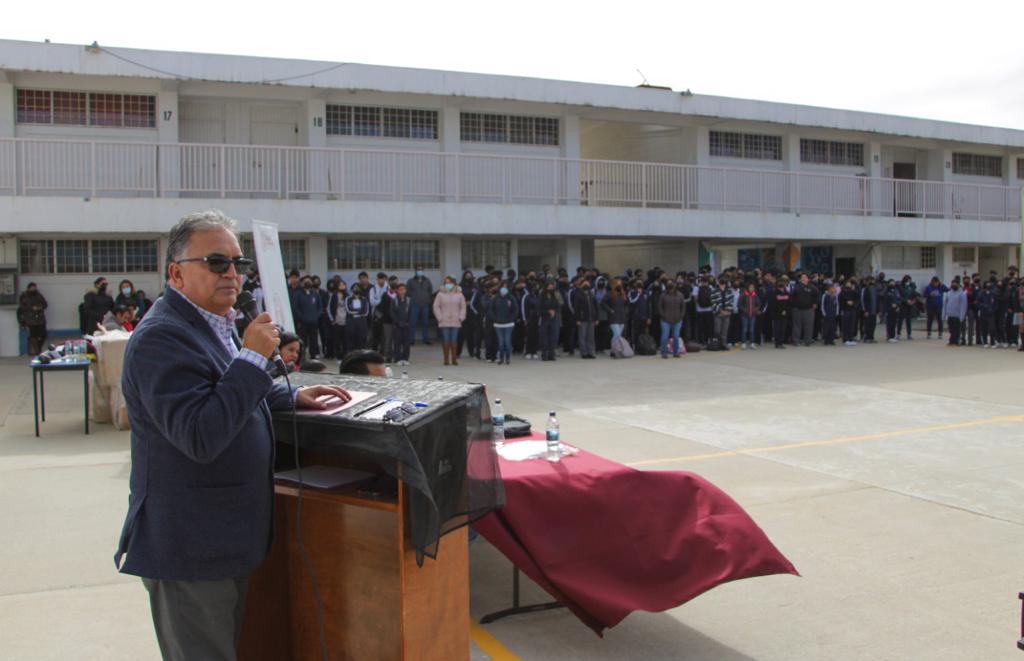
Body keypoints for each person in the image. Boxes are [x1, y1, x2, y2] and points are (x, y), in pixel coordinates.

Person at [114, 210, 349, 661]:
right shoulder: (161, 339)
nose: (232, 274)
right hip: (192, 548)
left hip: (226, 540)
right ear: (176, 273)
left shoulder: (212, 322)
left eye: (238, 264)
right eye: (217, 262)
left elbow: (229, 395)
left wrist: (290, 397)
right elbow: (201, 434)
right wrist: (251, 357)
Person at [433, 276, 466, 366]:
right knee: (446, 339)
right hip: (444, 320)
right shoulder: (440, 294)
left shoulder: (459, 294)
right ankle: (446, 359)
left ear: (454, 284)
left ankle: (454, 359)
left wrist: (461, 317)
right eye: (446, 283)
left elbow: (463, 307)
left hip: (456, 320)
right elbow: (436, 307)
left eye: (450, 283)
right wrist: (440, 317)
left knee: (454, 340)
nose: (448, 285)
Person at [488, 284, 518, 365]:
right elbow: (491, 310)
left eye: (505, 287)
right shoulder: (495, 298)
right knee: (501, 342)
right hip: (498, 324)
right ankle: (501, 358)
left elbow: (515, 310)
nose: (504, 289)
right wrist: (495, 319)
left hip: (509, 324)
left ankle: (507, 358)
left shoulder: (511, 298)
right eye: (502, 287)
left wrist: (511, 318)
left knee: (507, 341)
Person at [18, 282, 48, 355]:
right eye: (32, 287)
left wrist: (40, 307)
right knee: (33, 335)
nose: (34, 289)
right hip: (30, 319)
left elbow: (45, 304)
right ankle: (37, 351)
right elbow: (22, 306)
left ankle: (38, 348)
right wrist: (32, 308)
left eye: (35, 287)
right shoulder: (24, 296)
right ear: (29, 288)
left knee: (43, 334)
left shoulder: (38, 295)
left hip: (40, 318)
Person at [406, 267, 434, 345]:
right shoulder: (411, 281)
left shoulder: (427, 281)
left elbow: (430, 291)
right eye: (418, 270)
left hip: (425, 305)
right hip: (415, 305)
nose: (420, 271)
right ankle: (411, 340)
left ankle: (425, 339)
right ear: (415, 271)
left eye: (421, 270)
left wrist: (428, 300)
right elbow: (407, 292)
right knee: (412, 323)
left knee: (425, 322)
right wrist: (414, 298)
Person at [657, 281, 685, 358]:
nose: (671, 289)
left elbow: (683, 307)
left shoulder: (680, 295)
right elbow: (660, 307)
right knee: (665, 337)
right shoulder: (663, 295)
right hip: (665, 320)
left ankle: (676, 352)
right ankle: (664, 352)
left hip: (677, 320)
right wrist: (663, 316)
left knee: (676, 336)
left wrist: (681, 316)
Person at [574, 280, 599, 359]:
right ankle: (584, 353)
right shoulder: (578, 295)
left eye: (588, 284)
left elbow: (596, 307)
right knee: (582, 336)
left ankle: (591, 352)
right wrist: (577, 319)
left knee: (591, 336)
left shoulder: (592, 295)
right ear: (581, 285)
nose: (587, 285)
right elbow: (576, 308)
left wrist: (597, 318)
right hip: (582, 319)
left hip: (592, 319)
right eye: (585, 284)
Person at [791, 273, 818, 347]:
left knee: (809, 326)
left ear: (808, 279)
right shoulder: (796, 287)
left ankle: (808, 341)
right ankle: (796, 341)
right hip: (797, 309)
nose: (803, 278)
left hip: (809, 309)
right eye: (802, 277)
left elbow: (816, 294)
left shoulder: (812, 287)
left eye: (805, 277)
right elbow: (792, 295)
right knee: (797, 326)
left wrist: (815, 303)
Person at [767, 278, 792, 349]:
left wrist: (786, 311)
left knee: (783, 329)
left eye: (783, 284)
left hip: (785, 314)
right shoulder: (774, 293)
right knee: (777, 329)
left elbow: (789, 304)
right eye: (780, 284)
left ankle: (781, 343)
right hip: (776, 315)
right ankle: (777, 343)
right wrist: (780, 311)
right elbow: (772, 304)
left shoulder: (787, 293)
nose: (782, 285)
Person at [539, 282, 561, 362]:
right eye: (549, 287)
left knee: (553, 337)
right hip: (545, 319)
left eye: (552, 287)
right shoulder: (542, 296)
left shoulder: (554, 296)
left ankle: (551, 355)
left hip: (553, 319)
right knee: (544, 337)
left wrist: (554, 311)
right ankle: (544, 355)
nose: (551, 289)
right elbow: (540, 309)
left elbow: (558, 306)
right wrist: (548, 311)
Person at [327, 279, 348, 360]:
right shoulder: (334, 295)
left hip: (346, 321)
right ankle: (338, 355)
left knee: (345, 340)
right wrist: (332, 319)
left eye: (343, 284)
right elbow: (328, 308)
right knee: (337, 340)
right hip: (337, 321)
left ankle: (345, 354)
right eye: (340, 284)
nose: (342, 286)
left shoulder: (347, 296)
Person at [391, 283, 412, 366]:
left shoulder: (409, 300)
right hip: (397, 325)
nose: (402, 291)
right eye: (400, 289)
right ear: (397, 291)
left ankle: (405, 358)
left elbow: (411, 312)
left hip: (406, 325)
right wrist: (397, 322)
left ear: (406, 290)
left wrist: (408, 322)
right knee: (397, 342)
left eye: (403, 289)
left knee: (406, 343)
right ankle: (398, 359)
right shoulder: (394, 300)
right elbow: (392, 312)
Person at [345, 284, 370, 352]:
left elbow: (366, 312)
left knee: (361, 339)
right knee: (351, 339)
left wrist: (356, 311)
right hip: (351, 321)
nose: (356, 289)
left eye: (358, 288)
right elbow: (348, 310)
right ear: (352, 289)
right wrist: (359, 312)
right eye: (355, 288)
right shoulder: (348, 298)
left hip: (361, 322)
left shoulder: (364, 299)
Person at [943, 280, 967, 347]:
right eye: (953, 284)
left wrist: (962, 316)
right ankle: (951, 341)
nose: (954, 285)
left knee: (957, 329)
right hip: (950, 314)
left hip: (957, 315)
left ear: (958, 285)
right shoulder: (948, 293)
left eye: (955, 284)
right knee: (951, 329)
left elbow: (963, 306)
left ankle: (956, 341)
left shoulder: (962, 294)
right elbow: (945, 304)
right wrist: (944, 315)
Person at [737, 281, 760, 350]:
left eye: (753, 287)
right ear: (747, 288)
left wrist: (755, 309)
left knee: (752, 329)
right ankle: (743, 343)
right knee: (744, 329)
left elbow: (758, 304)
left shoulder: (755, 295)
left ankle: (752, 343)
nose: (752, 288)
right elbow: (739, 304)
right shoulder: (743, 295)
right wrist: (744, 310)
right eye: (750, 287)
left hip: (752, 315)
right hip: (745, 315)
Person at [839, 280, 860, 346]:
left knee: (852, 324)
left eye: (849, 284)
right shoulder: (843, 291)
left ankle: (851, 338)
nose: (848, 285)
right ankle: (845, 339)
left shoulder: (854, 291)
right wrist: (846, 302)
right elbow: (840, 300)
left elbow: (857, 299)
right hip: (845, 310)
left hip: (852, 309)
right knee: (845, 325)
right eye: (847, 283)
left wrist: (853, 303)